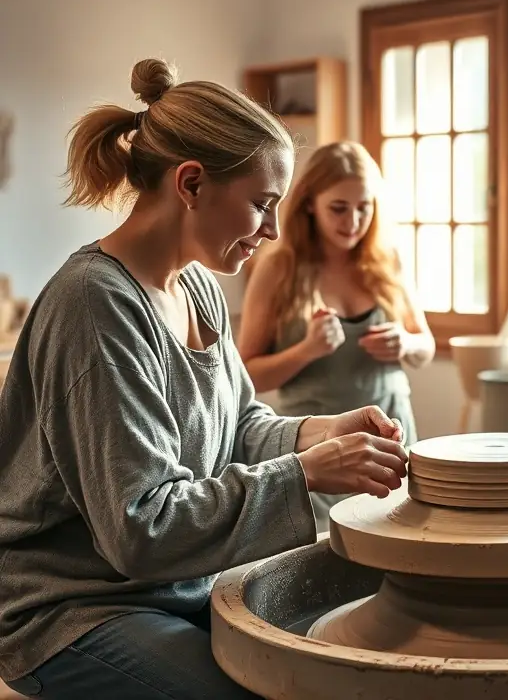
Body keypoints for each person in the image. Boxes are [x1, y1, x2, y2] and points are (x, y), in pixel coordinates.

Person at [0, 59, 410, 700]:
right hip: (71, 610)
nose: (273, 230)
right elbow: (143, 528)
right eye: (261, 204)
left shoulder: (197, 286)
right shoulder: (95, 304)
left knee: (330, 654)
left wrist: (316, 434)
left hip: (178, 587)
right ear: (191, 184)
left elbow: (242, 424)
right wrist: (306, 473)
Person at [238, 141, 434, 532]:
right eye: (339, 208)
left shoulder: (386, 260)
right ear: (310, 203)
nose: (353, 221)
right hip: (320, 457)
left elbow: (424, 345)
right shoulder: (278, 268)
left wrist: (405, 343)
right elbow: (246, 378)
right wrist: (306, 350)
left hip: (395, 448)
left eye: (365, 208)